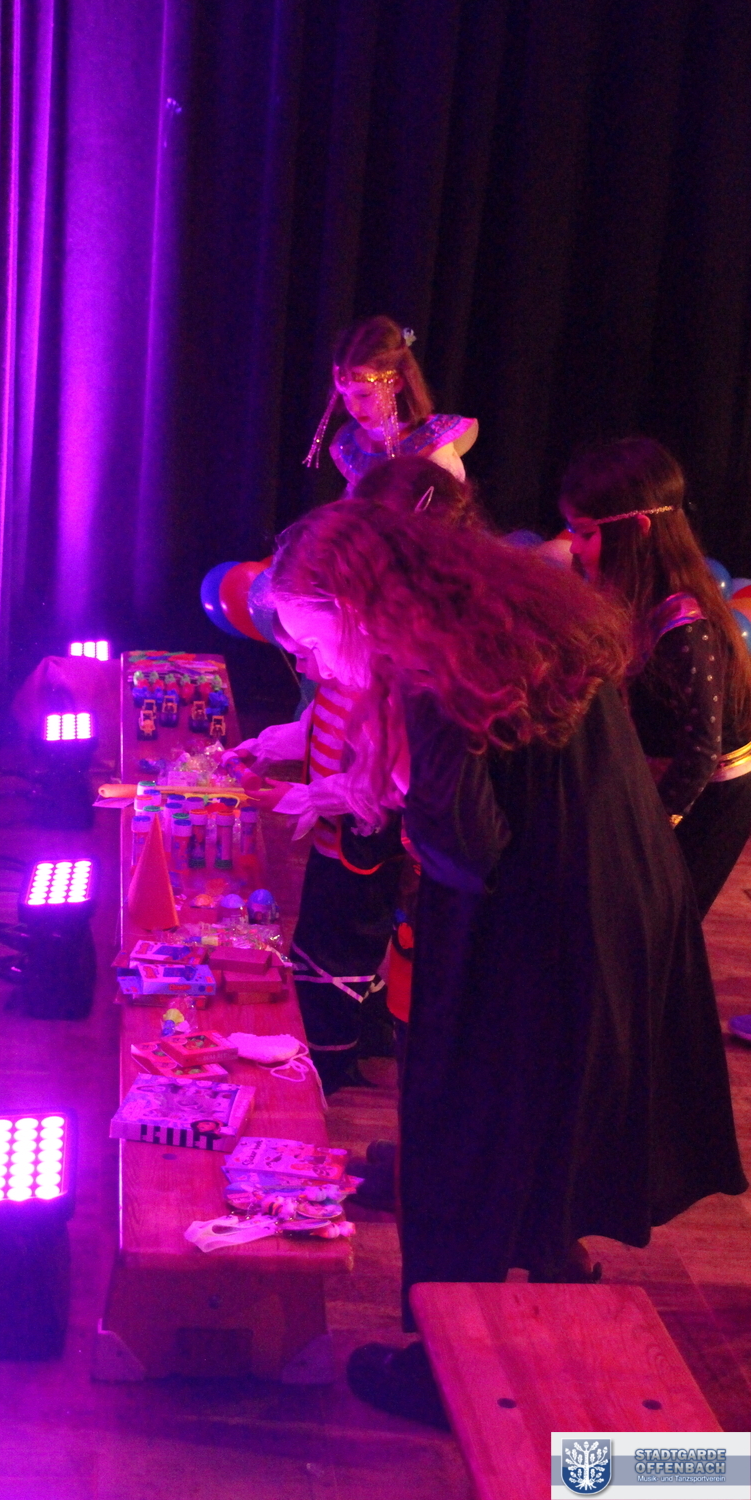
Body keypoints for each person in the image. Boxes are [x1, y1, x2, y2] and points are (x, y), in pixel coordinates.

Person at [268, 500, 746, 1421]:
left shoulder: (432, 668)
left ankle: (447, 1367)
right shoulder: (503, 615)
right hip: (621, 894)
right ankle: (552, 1262)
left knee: (464, 1132)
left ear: (354, 607)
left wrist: (399, 803)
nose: (312, 662)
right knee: (550, 1106)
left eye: (311, 637)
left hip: (541, 923)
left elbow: (469, 848)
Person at [232, 457, 482, 1095]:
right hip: (427, 874)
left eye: (314, 646)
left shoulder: (425, 681)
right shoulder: (377, 674)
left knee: (351, 952)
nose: (311, 666)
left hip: (432, 884)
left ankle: (337, 1057)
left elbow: (394, 795)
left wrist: (300, 796)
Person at [560, 438, 751, 917]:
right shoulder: (637, 595)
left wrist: (650, 828)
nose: (574, 547)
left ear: (640, 528)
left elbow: (702, 750)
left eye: (585, 533)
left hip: (709, 794)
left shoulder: (685, 624)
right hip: (668, 776)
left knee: (663, 915)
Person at [304, 316, 477, 490]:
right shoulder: (358, 444)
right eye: (345, 395)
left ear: (396, 383)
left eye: (364, 395)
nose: (353, 408)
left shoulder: (432, 453)